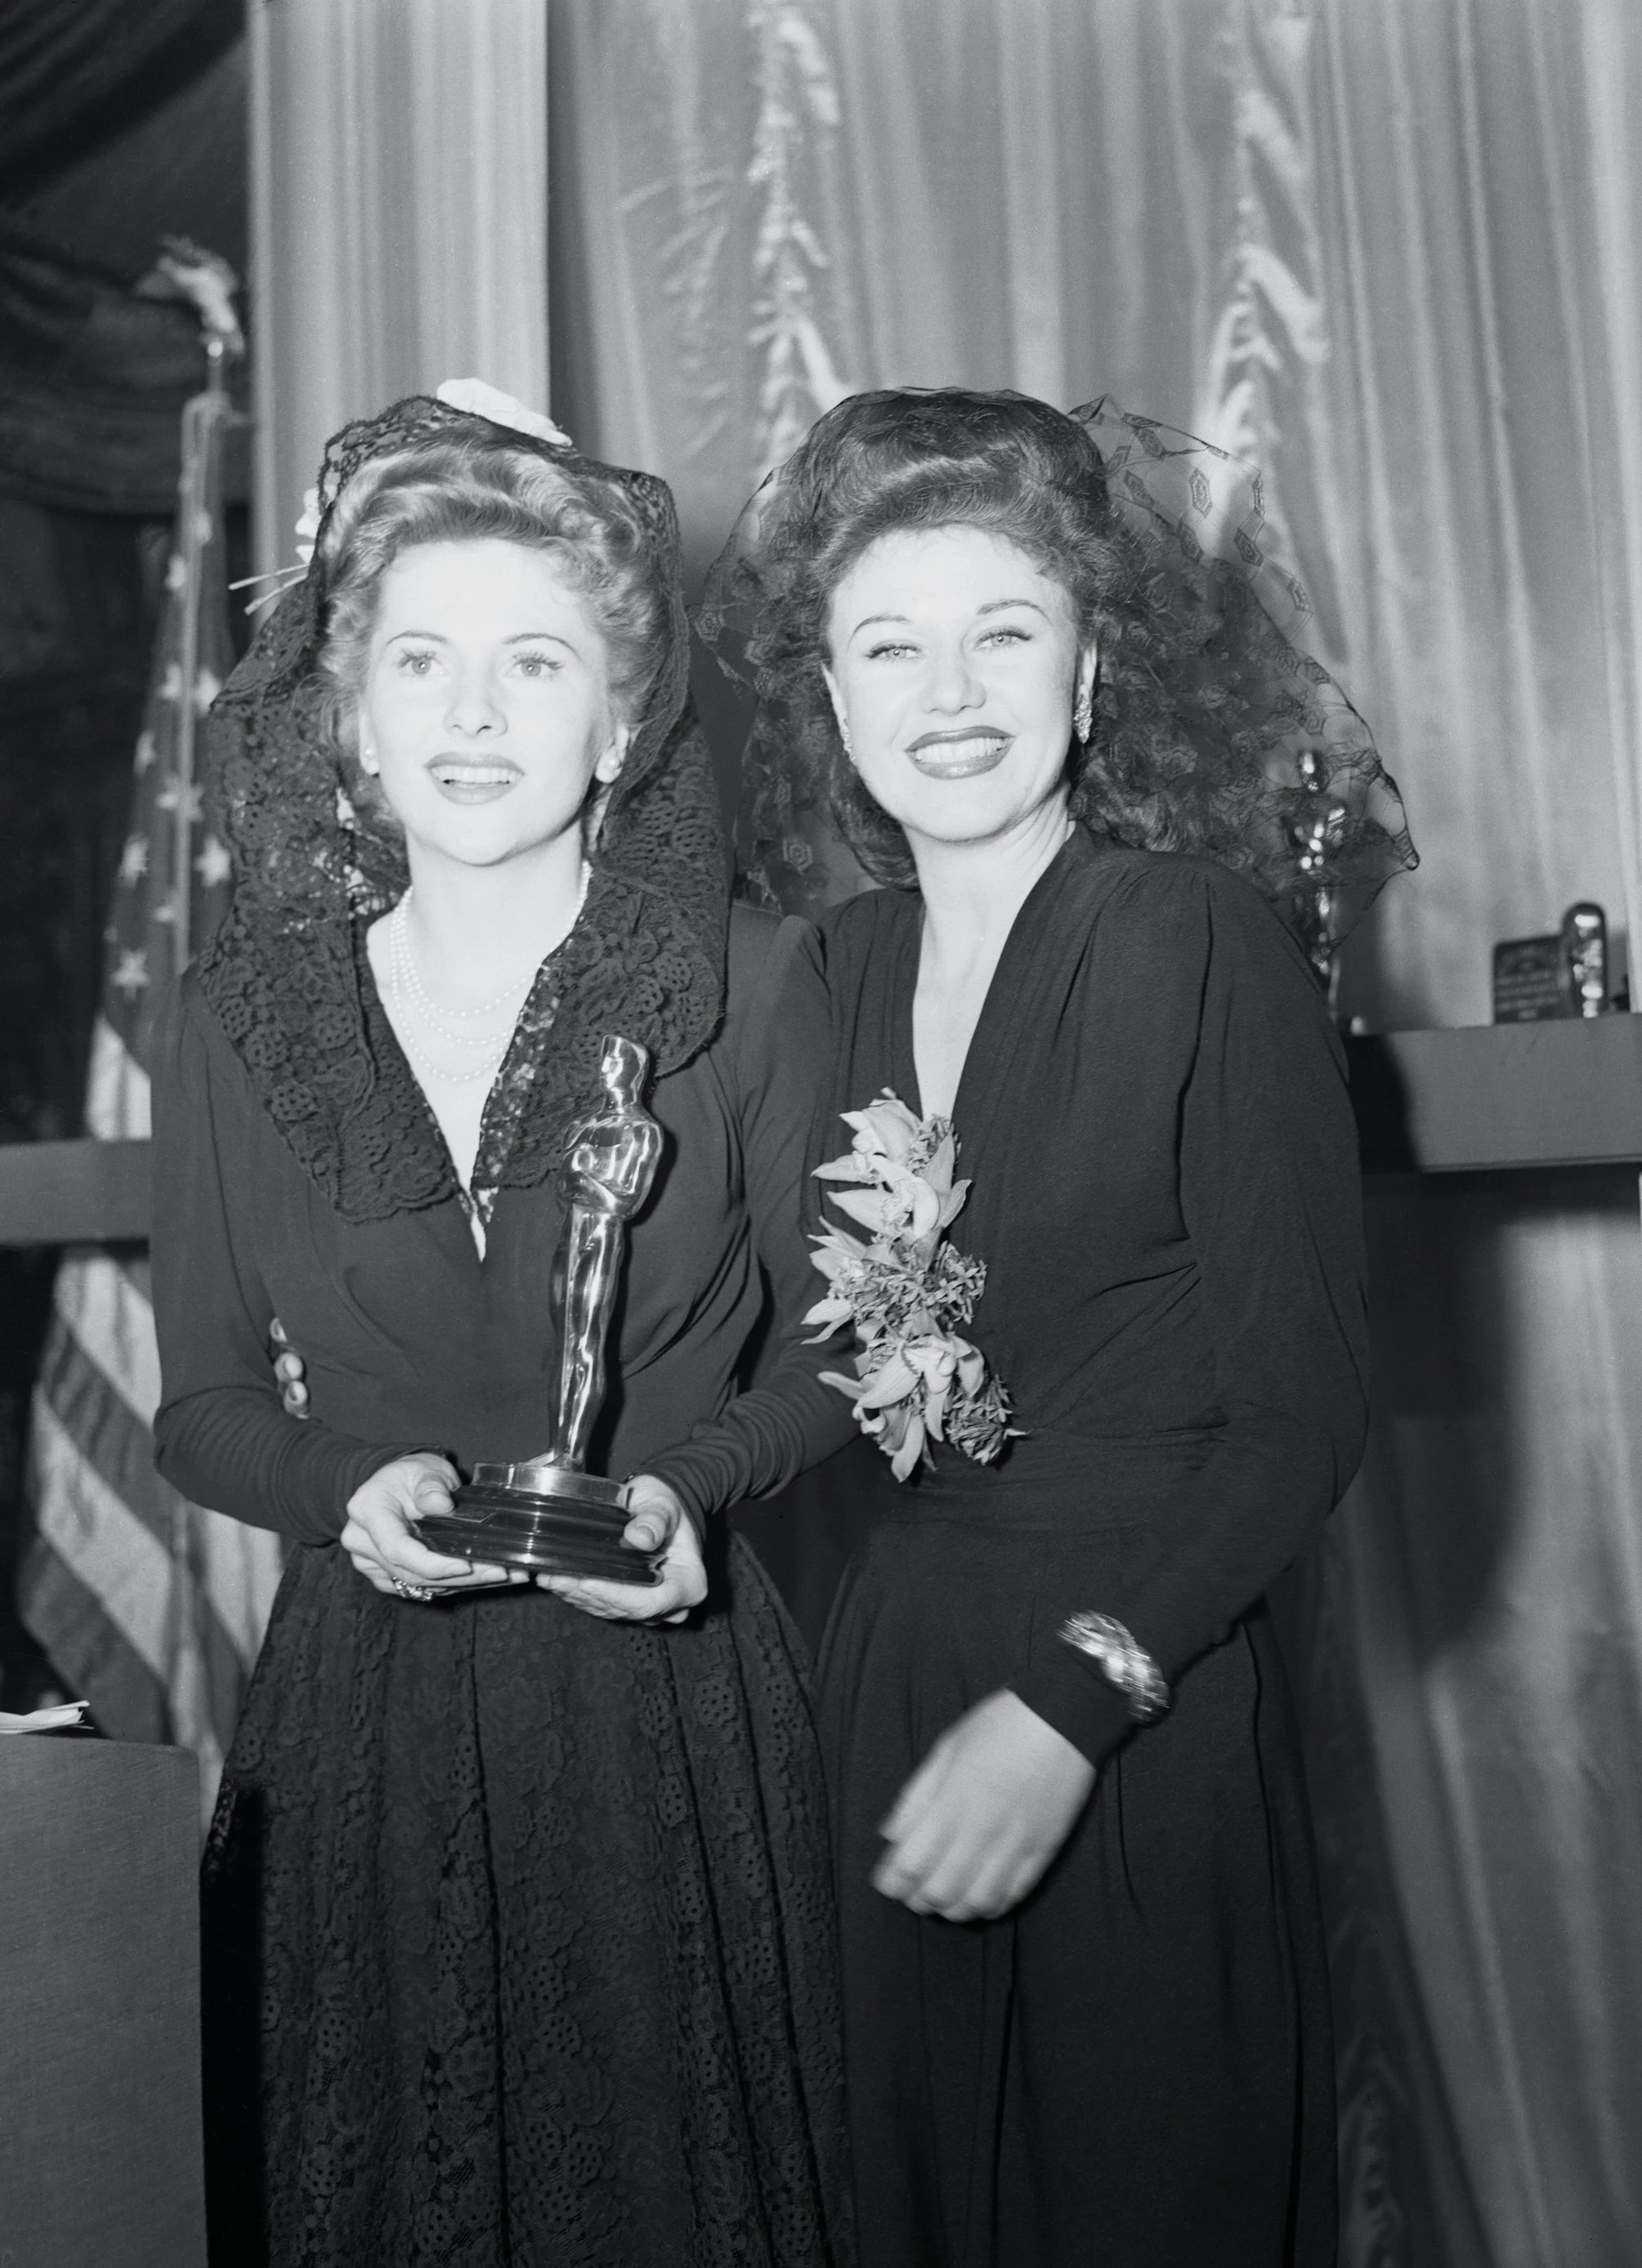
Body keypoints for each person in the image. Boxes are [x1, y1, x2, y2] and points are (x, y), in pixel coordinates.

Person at [697, 387, 1416, 2268]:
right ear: (832, 698)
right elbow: (848, 1362)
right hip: (891, 1686)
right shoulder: (842, 964)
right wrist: (671, 1498)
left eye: (1002, 632)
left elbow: (1301, 1419)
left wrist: (1076, 1701)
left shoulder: (1199, 938)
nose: (947, 693)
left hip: (1136, 1696)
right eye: (889, 646)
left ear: (1089, 674)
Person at [151, 387, 853, 2267]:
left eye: (531, 663)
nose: (471, 717)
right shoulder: (239, 1016)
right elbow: (197, 1403)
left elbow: (844, 1353)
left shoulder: (759, 981)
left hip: (672, 1717)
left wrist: (696, 1485)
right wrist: (335, 1483)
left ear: (619, 720)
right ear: (352, 719)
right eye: (422, 663)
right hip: (361, 1728)